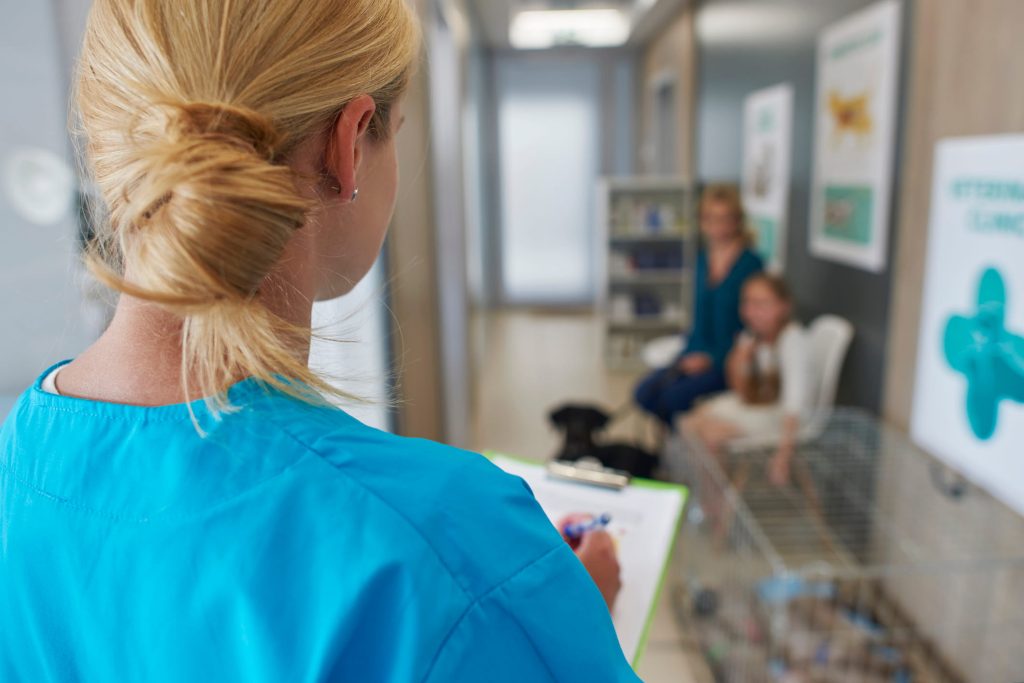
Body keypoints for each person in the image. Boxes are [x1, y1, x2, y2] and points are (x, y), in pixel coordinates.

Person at [0, 1, 637, 681]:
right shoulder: (452, 555)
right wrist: (547, 623)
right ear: (349, 145)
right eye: (397, 132)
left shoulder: (19, 462)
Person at [634, 184, 764, 427]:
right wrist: (689, 354)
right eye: (710, 218)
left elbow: (755, 328)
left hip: (730, 361)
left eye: (725, 218)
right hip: (696, 351)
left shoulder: (751, 264)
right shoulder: (703, 260)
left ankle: (686, 442)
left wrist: (712, 359)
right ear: (702, 221)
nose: (717, 226)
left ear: (738, 221)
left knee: (673, 398)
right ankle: (678, 437)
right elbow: (700, 319)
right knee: (645, 393)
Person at [683, 274, 812, 487]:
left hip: (783, 417)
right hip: (758, 404)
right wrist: (740, 358)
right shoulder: (752, 337)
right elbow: (741, 391)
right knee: (689, 422)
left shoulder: (792, 340)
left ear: (783, 306)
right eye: (747, 303)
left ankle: (716, 498)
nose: (752, 311)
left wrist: (783, 455)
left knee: (711, 434)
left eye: (761, 304)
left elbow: (794, 405)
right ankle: (705, 489)